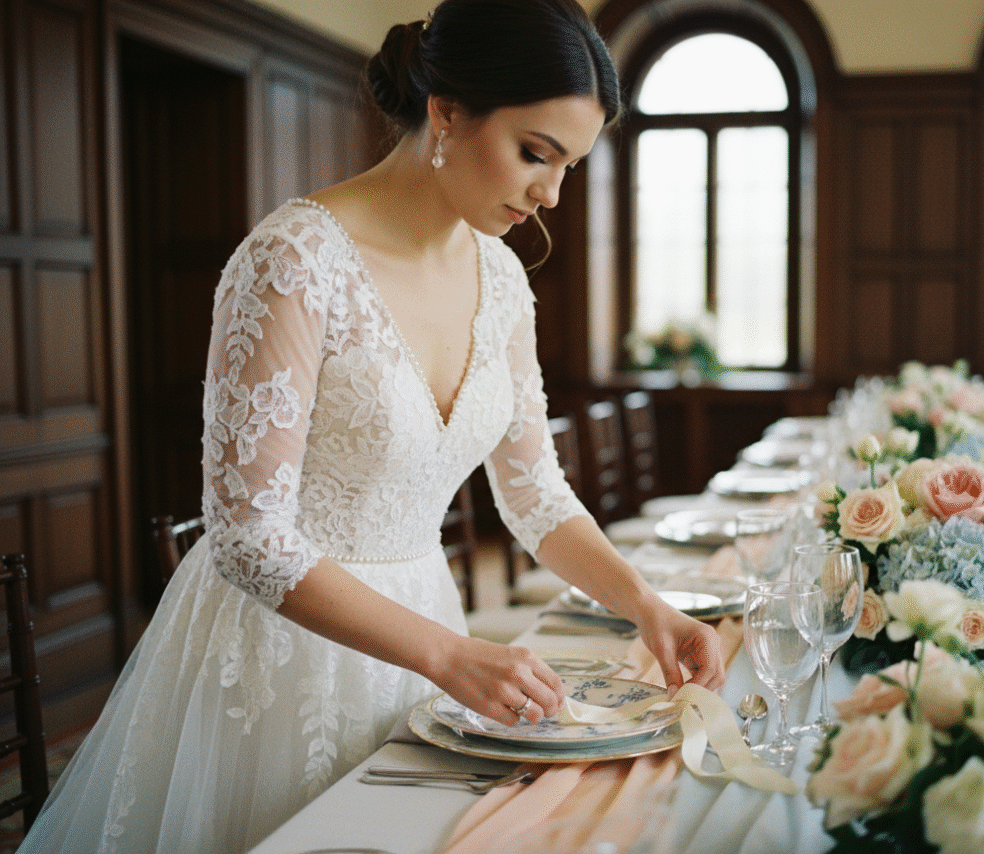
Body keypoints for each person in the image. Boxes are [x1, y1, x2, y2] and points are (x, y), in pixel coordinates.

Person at [19, 1, 724, 851]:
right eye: (536, 154)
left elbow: (535, 495)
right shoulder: (293, 261)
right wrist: (443, 655)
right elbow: (246, 537)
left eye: (569, 165)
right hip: (282, 660)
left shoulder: (501, 280)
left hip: (433, 640)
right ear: (447, 110)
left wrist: (648, 606)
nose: (551, 194)